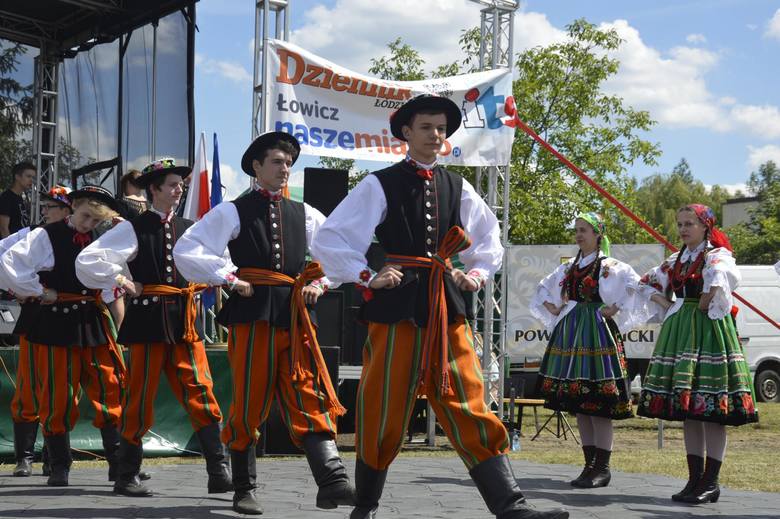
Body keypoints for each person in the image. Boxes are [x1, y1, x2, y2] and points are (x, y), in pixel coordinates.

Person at [312, 94, 568, 519]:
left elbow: (488, 241)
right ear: (406, 133)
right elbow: (331, 238)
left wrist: (475, 275)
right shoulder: (379, 183)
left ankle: (512, 506)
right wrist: (366, 275)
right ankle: (367, 505)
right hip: (397, 310)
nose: (436, 135)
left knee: (469, 399)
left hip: (447, 305)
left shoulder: (456, 185)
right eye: (427, 127)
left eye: (442, 129)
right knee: (385, 404)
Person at [174, 132, 354, 515]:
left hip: (294, 315)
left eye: (288, 163)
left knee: (308, 390)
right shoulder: (232, 211)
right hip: (253, 314)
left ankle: (332, 480)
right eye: (276, 162)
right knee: (251, 398)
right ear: (256, 167)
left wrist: (320, 283)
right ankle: (244, 488)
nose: (284, 168)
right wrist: (227, 277)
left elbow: (338, 252)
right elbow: (187, 250)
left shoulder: (304, 213)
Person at [75, 158, 231, 497]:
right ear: (154, 189)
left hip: (184, 323)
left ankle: (219, 471)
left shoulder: (192, 227)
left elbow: (221, 260)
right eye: (173, 185)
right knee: (139, 397)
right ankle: (126, 474)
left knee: (201, 390)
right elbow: (89, 259)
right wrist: (121, 279)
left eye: (181, 184)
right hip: (147, 323)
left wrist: (214, 277)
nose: (179, 190)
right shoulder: (134, 227)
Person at [0, 185, 126, 487]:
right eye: (85, 217)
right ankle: (59, 465)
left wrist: (121, 330)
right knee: (57, 392)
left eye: (96, 221)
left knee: (109, 385)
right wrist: (40, 291)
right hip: (55, 323)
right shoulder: (46, 235)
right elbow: (9, 263)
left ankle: (118, 462)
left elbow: (113, 287)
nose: (89, 225)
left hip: (93, 319)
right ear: (74, 208)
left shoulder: (102, 241)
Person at [636, 204, 758, 504]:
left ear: (706, 226)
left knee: (712, 410)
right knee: (690, 410)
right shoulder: (677, 260)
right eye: (680, 224)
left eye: (689, 223)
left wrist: (705, 298)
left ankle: (711, 482)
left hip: (710, 332)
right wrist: (668, 305)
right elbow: (643, 282)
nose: (683, 229)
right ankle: (694, 479)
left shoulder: (716, 255)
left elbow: (721, 278)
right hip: (681, 331)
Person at [530, 212, 649, 489]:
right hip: (572, 333)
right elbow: (543, 288)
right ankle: (588, 465)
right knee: (581, 405)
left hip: (597, 334)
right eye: (577, 230)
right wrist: (555, 307)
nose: (579, 234)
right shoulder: (570, 267)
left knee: (599, 405)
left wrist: (614, 308)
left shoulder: (609, 266)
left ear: (598, 234)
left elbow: (635, 284)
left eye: (584, 230)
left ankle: (602, 468)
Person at [3, 185, 72, 477]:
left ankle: (53, 457)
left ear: (67, 210)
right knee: (30, 384)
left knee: (64, 388)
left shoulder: (81, 237)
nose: (44, 212)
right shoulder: (31, 233)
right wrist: (21, 288)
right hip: (37, 316)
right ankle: (25, 457)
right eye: (43, 206)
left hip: (71, 320)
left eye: (50, 207)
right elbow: (3, 258)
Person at [0, 162, 35, 238]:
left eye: (33, 177)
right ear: (17, 177)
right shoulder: (6, 197)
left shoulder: (21, 198)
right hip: (10, 247)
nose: (31, 180)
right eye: (28, 176)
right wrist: (10, 248)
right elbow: (3, 228)